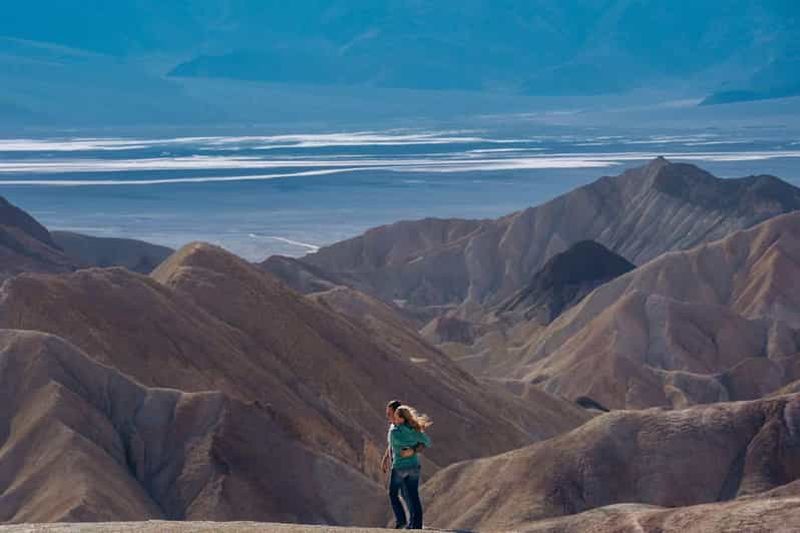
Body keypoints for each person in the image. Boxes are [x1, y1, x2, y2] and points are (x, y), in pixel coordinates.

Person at [387, 404, 432, 530]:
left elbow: (393, 444)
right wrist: (414, 448)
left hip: (399, 467)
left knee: (393, 493)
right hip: (414, 466)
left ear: (401, 418)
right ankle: (416, 525)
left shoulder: (394, 432)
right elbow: (428, 442)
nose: (394, 418)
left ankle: (401, 521)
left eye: (396, 416)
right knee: (413, 496)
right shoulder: (415, 431)